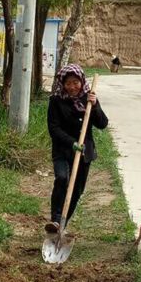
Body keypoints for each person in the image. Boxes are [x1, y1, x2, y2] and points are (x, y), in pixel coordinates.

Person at [45, 64, 109, 233]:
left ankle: (63, 224)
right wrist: (72, 142)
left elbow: (102, 124)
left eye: (76, 82)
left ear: (81, 81)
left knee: (77, 190)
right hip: (63, 150)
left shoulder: (88, 99)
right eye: (68, 83)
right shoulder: (56, 101)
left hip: (84, 153)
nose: (72, 87)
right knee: (62, 178)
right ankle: (56, 220)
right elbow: (54, 128)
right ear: (62, 83)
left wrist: (95, 106)